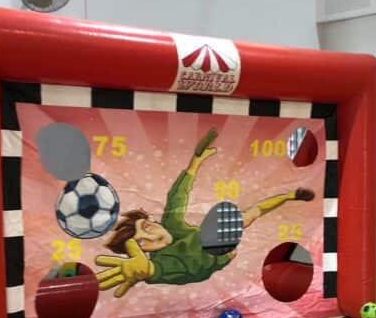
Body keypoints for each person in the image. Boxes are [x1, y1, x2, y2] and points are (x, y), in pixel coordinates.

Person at [96, 127, 314, 296]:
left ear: (152, 220)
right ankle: (217, 248)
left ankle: (286, 198)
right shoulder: (163, 262)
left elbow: (176, 197)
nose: (151, 238)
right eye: (142, 243)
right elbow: (163, 269)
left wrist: (194, 164)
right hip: (202, 259)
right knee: (224, 230)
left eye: (146, 228)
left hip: (212, 247)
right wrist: (148, 272)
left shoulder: (172, 225)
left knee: (247, 215)